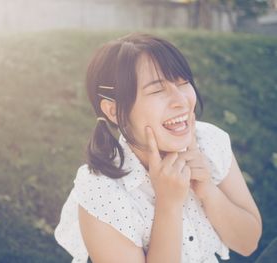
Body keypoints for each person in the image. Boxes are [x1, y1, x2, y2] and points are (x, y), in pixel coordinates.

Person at [54, 33, 262, 263]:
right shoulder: (101, 190)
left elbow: (248, 243)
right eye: (156, 91)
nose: (181, 101)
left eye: (183, 83)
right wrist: (168, 204)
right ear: (114, 111)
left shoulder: (209, 141)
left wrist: (207, 189)